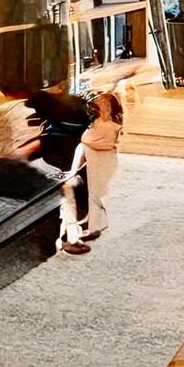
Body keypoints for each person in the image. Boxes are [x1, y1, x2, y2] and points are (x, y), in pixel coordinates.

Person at [58, 91, 123, 255]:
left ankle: (90, 230)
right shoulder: (96, 127)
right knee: (95, 197)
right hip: (96, 168)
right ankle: (90, 229)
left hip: (105, 167)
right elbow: (84, 147)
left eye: (99, 105)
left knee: (100, 198)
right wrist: (73, 170)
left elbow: (86, 145)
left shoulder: (111, 129)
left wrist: (73, 170)